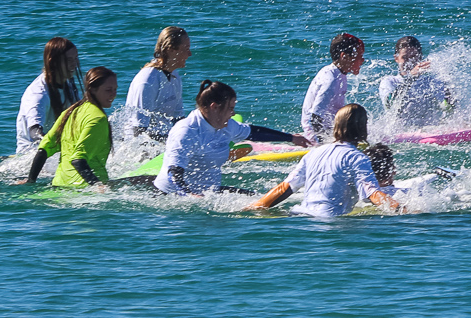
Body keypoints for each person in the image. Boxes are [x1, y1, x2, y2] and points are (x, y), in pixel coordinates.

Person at [153, 80, 310, 196]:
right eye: (230, 108)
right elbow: (173, 172)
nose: (233, 114)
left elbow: (253, 133)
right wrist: (189, 195)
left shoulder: (225, 125)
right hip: (172, 196)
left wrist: (290, 138)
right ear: (214, 107)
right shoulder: (187, 131)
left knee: (259, 199)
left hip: (208, 192)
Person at [248, 104, 403, 217]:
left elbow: (284, 188)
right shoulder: (358, 158)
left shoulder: (313, 154)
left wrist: (253, 208)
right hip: (328, 222)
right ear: (363, 128)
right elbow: (373, 194)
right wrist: (403, 211)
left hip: (298, 217)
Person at [25, 66, 118, 188]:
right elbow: (78, 160)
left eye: (115, 89)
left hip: (59, 185)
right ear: (93, 89)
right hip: (84, 188)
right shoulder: (98, 119)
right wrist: (98, 185)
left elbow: (44, 148)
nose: (113, 94)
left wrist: (30, 181)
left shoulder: (70, 112)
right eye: (108, 90)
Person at [15, 36, 81, 153]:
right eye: (69, 60)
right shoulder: (38, 94)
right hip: (32, 153)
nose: (74, 64)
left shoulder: (68, 84)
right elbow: (34, 131)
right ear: (53, 62)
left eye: (75, 59)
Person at [125, 27, 191, 139]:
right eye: (185, 49)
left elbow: (178, 119)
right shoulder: (148, 80)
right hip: (140, 144)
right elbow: (138, 130)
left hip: (162, 137)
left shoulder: (174, 76)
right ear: (170, 50)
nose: (189, 54)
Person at [300, 33, 365, 142]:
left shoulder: (339, 74)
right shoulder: (330, 80)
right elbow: (315, 118)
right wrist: (321, 144)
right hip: (315, 135)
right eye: (359, 56)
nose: (362, 60)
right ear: (344, 56)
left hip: (330, 130)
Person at [378, 36, 453, 128]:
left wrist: (450, 90)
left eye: (413, 57)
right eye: (405, 57)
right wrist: (411, 77)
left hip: (429, 132)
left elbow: (447, 108)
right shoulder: (389, 82)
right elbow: (391, 106)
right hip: (400, 134)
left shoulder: (432, 82)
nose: (410, 62)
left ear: (420, 58)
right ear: (396, 58)